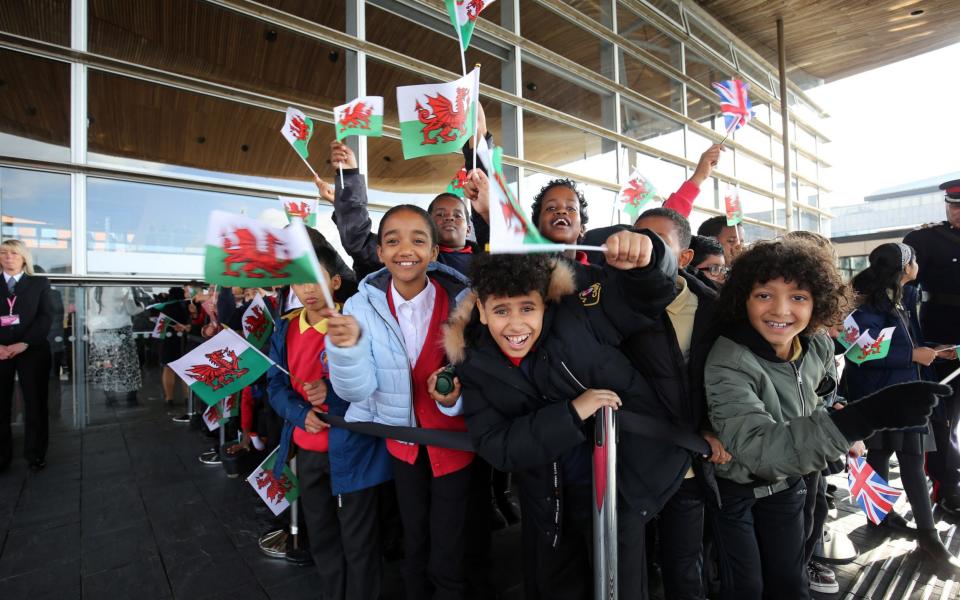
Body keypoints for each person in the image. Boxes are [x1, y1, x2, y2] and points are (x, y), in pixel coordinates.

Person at [704, 238, 951, 600]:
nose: (781, 309)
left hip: (792, 485)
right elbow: (760, 448)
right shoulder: (728, 360)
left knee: (790, 581)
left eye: (799, 297)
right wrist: (857, 419)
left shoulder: (815, 344)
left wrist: (833, 414)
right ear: (742, 297)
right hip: (738, 491)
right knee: (746, 587)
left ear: (818, 300)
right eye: (764, 295)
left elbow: (817, 397)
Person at [448, 229, 680, 600]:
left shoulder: (581, 319)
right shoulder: (474, 364)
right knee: (561, 586)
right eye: (500, 310)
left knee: (622, 586)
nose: (516, 325)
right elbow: (498, 445)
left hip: (621, 487)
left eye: (527, 308)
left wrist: (651, 257)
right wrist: (574, 412)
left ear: (545, 303)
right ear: (480, 309)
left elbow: (646, 296)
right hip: (548, 499)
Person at [325, 204, 475, 600]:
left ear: (434, 252)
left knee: (452, 545)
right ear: (379, 251)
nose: (404, 249)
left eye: (418, 240)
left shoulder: (464, 303)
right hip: (402, 444)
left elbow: (478, 378)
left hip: (455, 445)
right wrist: (345, 351)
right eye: (392, 240)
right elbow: (355, 392)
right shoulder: (360, 307)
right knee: (414, 539)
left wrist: (453, 400)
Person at [266, 241, 392, 599]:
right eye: (298, 281)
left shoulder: (354, 324)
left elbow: (379, 384)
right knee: (321, 535)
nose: (306, 290)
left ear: (335, 282)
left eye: (315, 280)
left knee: (359, 540)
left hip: (353, 451)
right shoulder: (286, 328)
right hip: (307, 453)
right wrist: (300, 412)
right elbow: (275, 384)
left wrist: (332, 394)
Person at [624, 207, 730, 600]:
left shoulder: (715, 311)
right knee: (630, 571)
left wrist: (713, 429)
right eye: (636, 238)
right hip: (626, 468)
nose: (641, 250)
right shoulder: (607, 301)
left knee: (685, 569)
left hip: (687, 466)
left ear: (685, 258)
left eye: (656, 243)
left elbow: (722, 382)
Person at [843, 242, 959, 569]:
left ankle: (892, 522)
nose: (917, 264)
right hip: (882, 395)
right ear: (904, 268)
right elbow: (857, 352)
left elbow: (908, 342)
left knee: (898, 457)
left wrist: (934, 351)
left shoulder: (902, 299)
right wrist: (911, 355)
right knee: (889, 456)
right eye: (914, 259)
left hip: (902, 391)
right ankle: (917, 532)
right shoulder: (867, 306)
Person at [328, 142, 488, 280]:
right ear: (428, 226)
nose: (449, 218)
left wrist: (479, 142)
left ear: (468, 228)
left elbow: (493, 218)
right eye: (440, 214)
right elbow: (358, 240)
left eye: (457, 215)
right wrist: (349, 177)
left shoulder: (488, 259)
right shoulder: (409, 256)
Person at [903, 178, 960, 517]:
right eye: (954, 205)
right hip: (940, 343)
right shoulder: (924, 240)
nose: (958, 212)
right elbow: (903, 288)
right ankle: (947, 485)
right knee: (942, 421)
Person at [0, 239, 53, 473]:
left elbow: (46, 317)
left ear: (23, 258)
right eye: (3, 253)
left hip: (32, 351)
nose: (8, 257)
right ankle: (2, 457)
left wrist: (24, 343)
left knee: (35, 403)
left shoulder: (39, 283)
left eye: (13, 253)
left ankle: (35, 454)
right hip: (0, 352)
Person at [87, 287, 144, 407]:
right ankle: (131, 397)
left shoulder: (92, 290)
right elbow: (132, 310)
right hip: (120, 328)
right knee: (128, 363)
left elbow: (89, 312)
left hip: (99, 330)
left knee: (106, 364)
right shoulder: (121, 288)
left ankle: (110, 397)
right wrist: (142, 306)